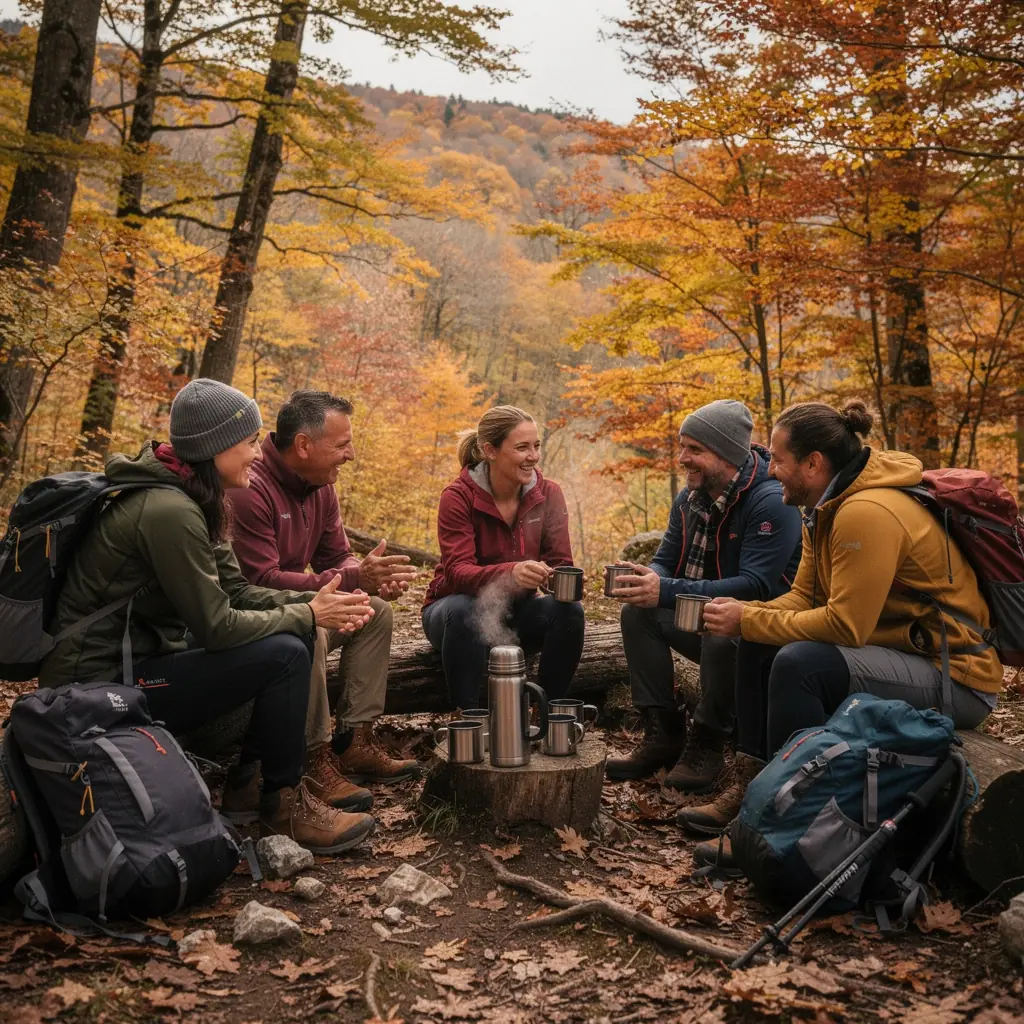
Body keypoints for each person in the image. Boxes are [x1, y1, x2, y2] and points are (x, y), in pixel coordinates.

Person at [39, 378, 377, 855]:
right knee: (285, 651)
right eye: (249, 442)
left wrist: (314, 608)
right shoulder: (167, 510)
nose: (258, 454)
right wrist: (305, 613)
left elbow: (237, 591)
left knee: (296, 638)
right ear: (215, 447)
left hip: (144, 661)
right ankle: (285, 807)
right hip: (99, 685)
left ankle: (251, 786)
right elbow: (217, 627)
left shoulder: (196, 497)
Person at [682, 399, 1003, 862]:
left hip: (956, 677)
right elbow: (803, 598)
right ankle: (756, 792)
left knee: (800, 664)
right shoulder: (826, 506)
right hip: (902, 657)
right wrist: (747, 615)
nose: (770, 471)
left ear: (813, 464)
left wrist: (749, 618)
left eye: (779, 460)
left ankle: (788, 829)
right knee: (758, 642)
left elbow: (846, 625)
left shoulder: (866, 512)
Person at [229, 390, 421, 811]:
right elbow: (260, 581)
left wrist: (367, 580)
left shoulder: (320, 486)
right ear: (303, 445)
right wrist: (353, 578)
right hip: (249, 625)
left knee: (375, 611)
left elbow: (337, 557)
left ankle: (354, 740)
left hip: (298, 609)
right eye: (341, 445)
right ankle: (310, 757)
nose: (350, 454)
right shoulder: (249, 487)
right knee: (311, 629)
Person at [606, 400, 802, 789]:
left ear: (726, 453)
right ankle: (662, 733)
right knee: (639, 613)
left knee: (720, 629)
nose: (683, 459)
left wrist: (666, 590)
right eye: (683, 447)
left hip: (764, 632)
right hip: (706, 614)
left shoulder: (770, 500)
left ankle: (708, 742)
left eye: (694, 449)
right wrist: (648, 578)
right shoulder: (690, 499)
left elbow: (757, 585)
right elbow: (666, 561)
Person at [422, 405, 585, 708]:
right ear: (490, 450)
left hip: (518, 615)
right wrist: (511, 573)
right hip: (452, 616)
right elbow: (457, 573)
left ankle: (547, 713)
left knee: (570, 611)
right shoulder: (458, 497)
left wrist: (557, 580)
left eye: (536, 446)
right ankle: (468, 719)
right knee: (464, 608)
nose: (533, 456)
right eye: (522, 448)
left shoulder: (548, 494)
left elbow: (561, 562)